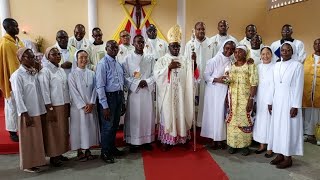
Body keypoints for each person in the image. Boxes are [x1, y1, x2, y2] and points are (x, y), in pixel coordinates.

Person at [154, 25, 197, 151]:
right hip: (167, 95)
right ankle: (167, 140)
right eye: (173, 46)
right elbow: (157, 75)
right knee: (168, 114)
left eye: (178, 46)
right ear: (169, 47)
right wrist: (168, 68)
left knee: (181, 113)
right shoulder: (163, 60)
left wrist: (194, 62)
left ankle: (181, 137)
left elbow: (192, 74)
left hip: (181, 94)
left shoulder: (185, 60)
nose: (176, 48)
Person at [267, 42, 304, 169]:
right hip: (277, 100)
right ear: (280, 51)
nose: (285, 52)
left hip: (290, 100)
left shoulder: (297, 66)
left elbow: (299, 86)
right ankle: (279, 154)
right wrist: (269, 102)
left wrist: (296, 105)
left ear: (292, 52)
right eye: (283, 50)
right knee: (277, 128)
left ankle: (288, 157)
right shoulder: (276, 66)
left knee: (288, 129)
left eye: (288, 50)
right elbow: (272, 85)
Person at [10, 47, 46, 172]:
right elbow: (18, 97)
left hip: (37, 110)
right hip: (27, 113)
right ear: (20, 59)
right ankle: (28, 164)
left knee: (36, 138)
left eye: (33, 57)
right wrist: (25, 114)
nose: (32, 59)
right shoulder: (17, 76)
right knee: (28, 140)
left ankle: (37, 161)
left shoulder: (33, 72)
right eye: (29, 57)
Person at [38, 47, 70, 167]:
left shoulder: (60, 70)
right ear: (47, 56)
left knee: (62, 131)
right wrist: (49, 108)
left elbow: (65, 89)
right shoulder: (45, 71)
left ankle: (60, 153)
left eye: (58, 53)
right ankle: (53, 155)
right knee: (53, 131)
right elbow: (44, 91)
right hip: (53, 106)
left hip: (63, 104)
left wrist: (67, 104)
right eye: (54, 54)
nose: (57, 55)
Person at [201, 39, 236, 149]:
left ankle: (220, 139)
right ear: (223, 47)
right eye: (227, 48)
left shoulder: (232, 62)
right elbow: (206, 76)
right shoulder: (214, 60)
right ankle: (212, 138)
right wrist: (217, 79)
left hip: (224, 91)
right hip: (213, 91)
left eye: (232, 49)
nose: (229, 51)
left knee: (221, 115)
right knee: (213, 115)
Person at [122, 35, 155, 152]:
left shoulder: (150, 58)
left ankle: (146, 140)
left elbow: (154, 74)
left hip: (146, 91)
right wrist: (137, 83)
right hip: (134, 94)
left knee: (147, 115)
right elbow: (125, 76)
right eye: (137, 42)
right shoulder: (127, 59)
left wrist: (146, 82)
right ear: (133, 43)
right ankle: (133, 141)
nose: (140, 44)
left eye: (142, 42)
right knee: (134, 116)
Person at [96, 40, 126, 163]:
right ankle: (105, 152)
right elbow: (100, 86)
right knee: (107, 126)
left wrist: (123, 101)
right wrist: (104, 105)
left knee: (114, 125)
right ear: (106, 48)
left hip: (118, 96)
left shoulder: (118, 64)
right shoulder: (102, 64)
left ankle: (112, 148)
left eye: (116, 47)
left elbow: (121, 84)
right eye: (111, 47)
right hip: (108, 98)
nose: (114, 48)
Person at [226, 45, 258, 156]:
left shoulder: (250, 65)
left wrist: (251, 99)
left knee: (245, 119)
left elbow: (254, 84)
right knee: (232, 120)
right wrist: (227, 96)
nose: (237, 54)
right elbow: (228, 82)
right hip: (233, 97)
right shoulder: (231, 66)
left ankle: (245, 145)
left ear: (245, 53)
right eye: (235, 52)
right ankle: (232, 144)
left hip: (245, 98)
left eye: (240, 52)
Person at [69, 50, 100, 161]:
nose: (83, 60)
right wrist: (83, 105)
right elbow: (73, 92)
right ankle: (79, 151)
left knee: (88, 129)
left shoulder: (92, 73)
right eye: (81, 57)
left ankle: (88, 151)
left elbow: (95, 89)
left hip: (90, 106)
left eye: (85, 57)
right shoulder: (72, 75)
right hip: (78, 108)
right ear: (76, 59)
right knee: (79, 129)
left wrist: (91, 103)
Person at [184, 22, 214, 127]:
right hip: (193, 77)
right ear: (194, 30)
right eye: (199, 29)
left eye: (203, 29)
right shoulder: (189, 44)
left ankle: (204, 123)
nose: (201, 31)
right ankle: (193, 123)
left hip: (207, 79)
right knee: (193, 100)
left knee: (205, 101)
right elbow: (185, 61)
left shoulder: (211, 43)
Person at [0, 18, 24, 142]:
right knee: (12, 106)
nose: (17, 28)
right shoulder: (5, 44)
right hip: (11, 80)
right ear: (7, 27)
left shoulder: (18, 42)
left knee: (22, 104)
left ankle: (22, 127)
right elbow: (3, 64)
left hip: (23, 77)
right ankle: (12, 131)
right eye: (15, 26)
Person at [253, 46, 275, 157]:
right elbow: (255, 84)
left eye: (267, 54)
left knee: (270, 122)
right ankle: (262, 145)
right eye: (263, 54)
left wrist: (272, 100)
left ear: (271, 55)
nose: (265, 56)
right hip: (260, 97)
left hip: (272, 99)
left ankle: (270, 147)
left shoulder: (276, 67)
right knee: (261, 121)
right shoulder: (257, 67)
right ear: (260, 56)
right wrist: (254, 100)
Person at [302, 38, 320, 145]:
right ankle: (308, 134)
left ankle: (318, 136)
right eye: (316, 43)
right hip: (308, 91)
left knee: (318, 114)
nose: (318, 45)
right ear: (313, 45)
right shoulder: (307, 59)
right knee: (308, 113)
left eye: (319, 43)